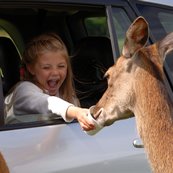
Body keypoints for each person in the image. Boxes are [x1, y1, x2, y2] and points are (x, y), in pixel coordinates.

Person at [4, 33, 95, 131]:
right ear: (31, 68)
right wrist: (76, 112)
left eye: (61, 66)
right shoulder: (24, 90)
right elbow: (47, 103)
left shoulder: (65, 93)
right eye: (46, 67)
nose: (55, 72)